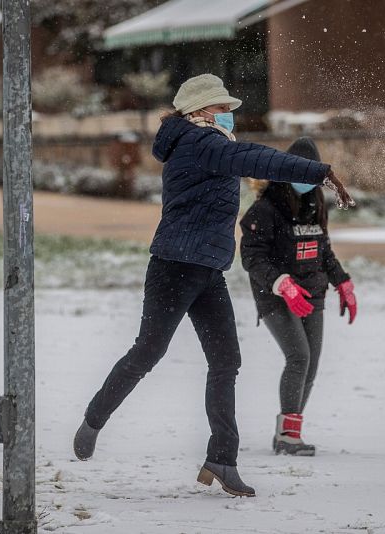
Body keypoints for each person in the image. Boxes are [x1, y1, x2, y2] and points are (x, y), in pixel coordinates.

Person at [73, 74, 355, 498]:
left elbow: (243, 157)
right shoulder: (199, 144)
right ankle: (94, 418)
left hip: (208, 270)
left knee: (226, 361)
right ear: (201, 111)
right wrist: (319, 171)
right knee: (149, 349)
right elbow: (255, 159)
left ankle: (222, 458)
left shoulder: (208, 143)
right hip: (173, 267)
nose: (229, 114)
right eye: (223, 108)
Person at [239, 137, 356, 456]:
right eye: (300, 175)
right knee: (298, 357)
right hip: (275, 295)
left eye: (312, 177)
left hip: (312, 291)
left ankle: (287, 434)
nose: (307, 183)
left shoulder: (316, 201)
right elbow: (251, 256)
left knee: (311, 365)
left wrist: (342, 282)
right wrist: (281, 283)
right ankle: (289, 438)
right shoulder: (265, 208)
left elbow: (323, 249)